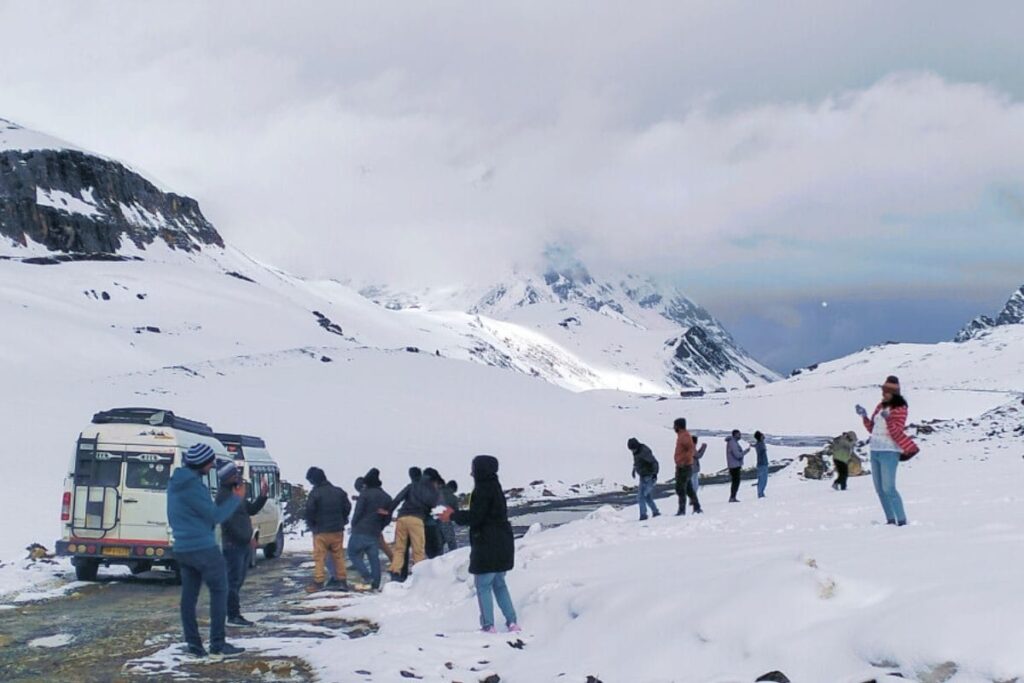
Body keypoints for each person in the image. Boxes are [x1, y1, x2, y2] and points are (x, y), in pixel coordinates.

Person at [166, 442, 246, 658]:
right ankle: (218, 645)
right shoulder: (193, 486)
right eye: (210, 462)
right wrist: (236, 499)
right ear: (201, 463)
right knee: (220, 592)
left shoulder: (175, 484)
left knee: (189, 598)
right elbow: (215, 516)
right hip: (203, 548)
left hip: (182, 548)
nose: (212, 466)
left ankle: (194, 646)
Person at [439, 455, 520, 634]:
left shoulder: (482, 489)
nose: (471, 473)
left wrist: (452, 515)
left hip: (486, 544)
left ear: (479, 471)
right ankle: (512, 622)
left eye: (473, 469)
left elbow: (476, 517)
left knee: (483, 585)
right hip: (503, 543)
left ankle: (488, 626)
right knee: (499, 584)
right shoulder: (496, 488)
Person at [857, 375, 918, 526]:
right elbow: (873, 428)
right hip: (875, 449)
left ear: (895, 392)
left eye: (887, 391)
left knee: (889, 488)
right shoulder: (880, 406)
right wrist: (864, 416)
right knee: (879, 489)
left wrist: (888, 419)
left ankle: (902, 521)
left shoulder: (900, 408)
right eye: (884, 390)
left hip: (889, 451)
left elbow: (897, 431)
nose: (884, 394)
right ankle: (890, 520)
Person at [215, 463, 268, 627]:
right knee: (233, 581)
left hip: (243, 545)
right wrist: (246, 539)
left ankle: (232, 612)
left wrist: (263, 495)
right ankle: (232, 615)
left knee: (237, 581)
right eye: (235, 474)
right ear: (228, 477)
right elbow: (229, 524)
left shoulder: (235, 493)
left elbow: (250, 510)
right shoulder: (224, 497)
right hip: (233, 546)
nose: (238, 477)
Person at [305, 467, 352, 592]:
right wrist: (343, 519)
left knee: (320, 557)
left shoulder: (315, 493)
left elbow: (309, 510)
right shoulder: (339, 492)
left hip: (320, 531)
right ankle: (342, 581)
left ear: (314, 480)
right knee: (338, 555)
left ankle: (319, 582)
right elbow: (347, 507)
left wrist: (311, 525)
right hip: (337, 530)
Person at [388, 466, 440, 580]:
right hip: (417, 519)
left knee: (399, 548)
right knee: (418, 549)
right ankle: (419, 573)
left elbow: (397, 499)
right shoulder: (430, 487)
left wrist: (388, 511)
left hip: (401, 517)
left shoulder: (410, 486)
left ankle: (395, 571)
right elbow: (433, 503)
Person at [347, 468, 393, 590]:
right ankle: (376, 584)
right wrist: (380, 527)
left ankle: (367, 577)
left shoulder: (365, 494)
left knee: (352, 553)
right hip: (375, 532)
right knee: (374, 558)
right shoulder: (387, 497)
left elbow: (358, 512)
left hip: (360, 530)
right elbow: (388, 517)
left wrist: (354, 525)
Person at [671, 419, 702, 515]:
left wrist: (685, 461)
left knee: (680, 489)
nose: (673, 427)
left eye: (675, 425)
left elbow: (690, 449)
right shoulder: (682, 435)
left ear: (678, 426)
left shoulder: (684, 436)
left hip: (684, 467)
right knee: (689, 489)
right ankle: (697, 507)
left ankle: (682, 510)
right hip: (685, 466)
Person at [626, 437, 661, 520]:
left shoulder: (644, 452)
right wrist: (634, 470)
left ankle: (643, 515)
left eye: (633, 449)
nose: (632, 451)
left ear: (636, 446)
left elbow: (654, 462)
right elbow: (637, 462)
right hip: (643, 476)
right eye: (631, 449)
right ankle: (655, 512)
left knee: (641, 497)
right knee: (647, 497)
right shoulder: (636, 452)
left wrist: (654, 474)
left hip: (649, 477)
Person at [725, 430, 750, 502]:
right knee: (736, 482)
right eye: (739, 434)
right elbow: (737, 455)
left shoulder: (733, 442)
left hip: (734, 465)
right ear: (735, 434)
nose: (740, 436)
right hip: (734, 465)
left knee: (735, 481)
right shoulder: (733, 443)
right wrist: (745, 452)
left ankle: (733, 497)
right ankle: (732, 497)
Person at [439, 480, 460, 552]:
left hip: (433, 523)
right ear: (453, 489)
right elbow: (456, 513)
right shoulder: (453, 498)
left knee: (438, 546)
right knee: (452, 544)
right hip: (445, 522)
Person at [753, 431, 769, 498]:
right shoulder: (760, 444)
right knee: (763, 480)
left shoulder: (759, 443)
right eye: (762, 435)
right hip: (762, 464)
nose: (764, 436)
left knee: (762, 480)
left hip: (762, 463)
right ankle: (760, 494)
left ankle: (761, 493)